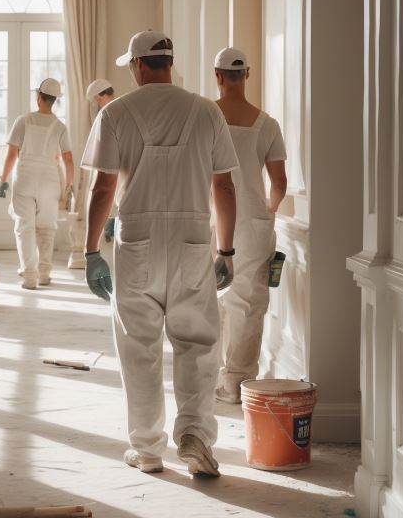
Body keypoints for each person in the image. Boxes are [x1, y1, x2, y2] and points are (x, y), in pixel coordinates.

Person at [82, 30, 238, 477]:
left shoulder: (115, 112)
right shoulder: (207, 111)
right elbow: (223, 186)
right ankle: (194, 435)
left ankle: (148, 449)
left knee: (139, 346)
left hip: (138, 240)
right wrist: (225, 250)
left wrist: (91, 249)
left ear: (136, 65)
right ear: (169, 62)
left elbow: (103, 187)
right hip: (192, 239)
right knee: (198, 343)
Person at [212, 47, 288, 403]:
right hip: (254, 224)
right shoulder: (267, 124)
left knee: (203, 300)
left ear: (218, 76)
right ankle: (236, 383)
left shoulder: (205, 116)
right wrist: (267, 211)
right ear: (248, 75)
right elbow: (280, 183)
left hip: (211, 218)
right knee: (247, 305)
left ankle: (204, 378)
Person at [0, 77, 74, 289]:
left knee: (24, 227)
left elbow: (12, 154)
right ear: (54, 100)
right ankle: (44, 273)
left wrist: (2, 180)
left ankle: (30, 276)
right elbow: (68, 159)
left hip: (25, 178)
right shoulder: (60, 126)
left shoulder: (23, 120)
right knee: (47, 228)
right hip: (50, 180)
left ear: (39, 97)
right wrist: (69, 187)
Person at [85, 78, 118, 242]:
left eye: (96, 100)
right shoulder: (108, 112)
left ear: (99, 97)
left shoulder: (111, 113)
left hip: (112, 169)